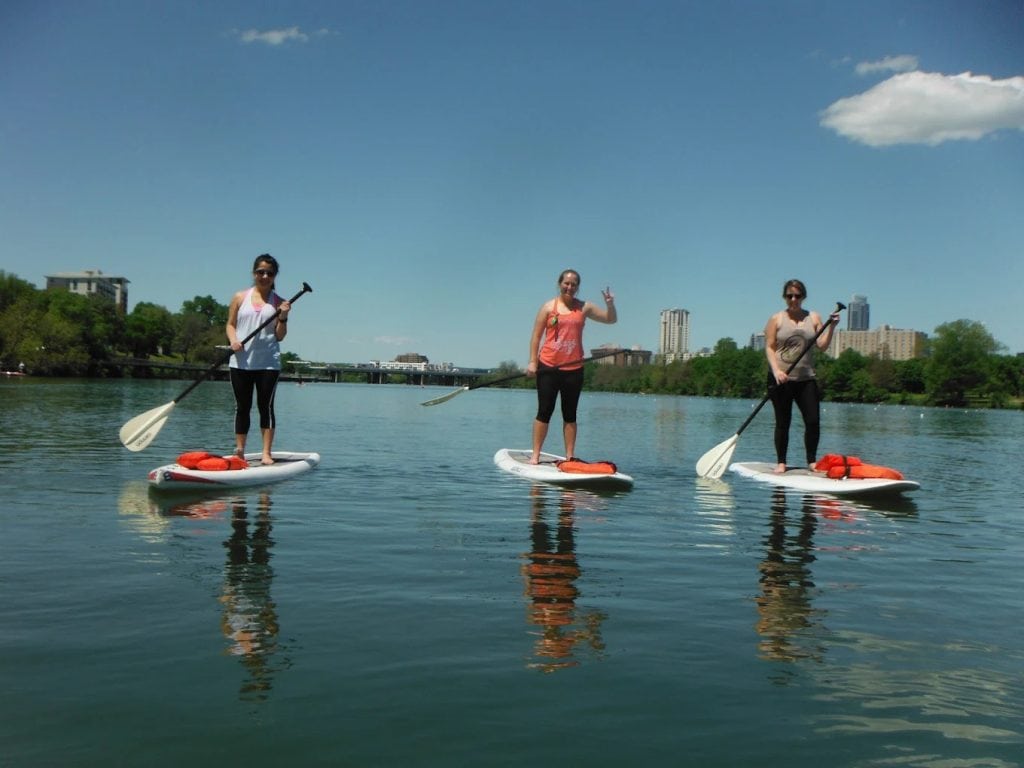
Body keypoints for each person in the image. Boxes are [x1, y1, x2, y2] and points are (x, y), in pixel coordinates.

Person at [526, 269, 617, 464]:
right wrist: (533, 361)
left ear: (577, 287)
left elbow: (611, 320)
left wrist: (610, 305)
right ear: (559, 284)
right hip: (548, 367)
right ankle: (535, 455)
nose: (570, 287)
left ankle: (569, 456)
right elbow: (536, 337)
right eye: (566, 283)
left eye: (574, 284)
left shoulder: (584, 308)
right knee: (544, 411)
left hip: (574, 369)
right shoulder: (548, 307)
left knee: (570, 414)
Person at [764, 279, 838, 474]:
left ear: (803, 296)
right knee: (783, 421)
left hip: (806, 379)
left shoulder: (813, 318)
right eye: (789, 296)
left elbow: (822, 346)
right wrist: (776, 371)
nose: (793, 299)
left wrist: (832, 327)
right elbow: (770, 348)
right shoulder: (776, 319)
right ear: (784, 297)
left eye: (797, 296)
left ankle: (812, 461)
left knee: (813, 421)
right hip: (781, 379)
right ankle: (781, 462)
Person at [226, 254, 291, 465]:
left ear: (274, 276)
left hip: (268, 364)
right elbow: (230, 324)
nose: (264, 276)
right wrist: (233, 340)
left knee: (266, 407)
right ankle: (240, 451)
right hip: (240, 361)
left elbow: (280, 335)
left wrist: (283, 316)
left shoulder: (280, 303)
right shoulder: (239, 297)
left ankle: (266, 453)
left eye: (269, 273)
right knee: (242, 407)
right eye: (260, 272)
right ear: (254, 273)